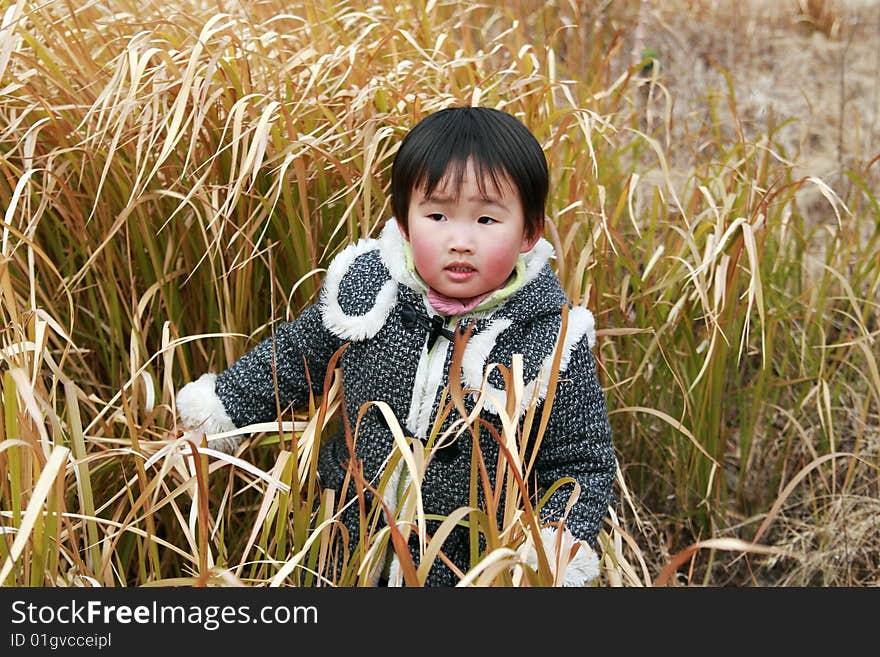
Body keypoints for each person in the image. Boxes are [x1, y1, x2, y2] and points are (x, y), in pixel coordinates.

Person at [175, 106, 616, 587]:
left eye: (487, 218)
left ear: (530, 232)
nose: (460, 240)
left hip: (466, 564)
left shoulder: (548, 336)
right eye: (437, 215)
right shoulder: (371, 288)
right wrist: (219, 412)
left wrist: (551, 546)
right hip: (346, 544)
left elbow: (581, 461)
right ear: (405, 223)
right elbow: (294, 357)